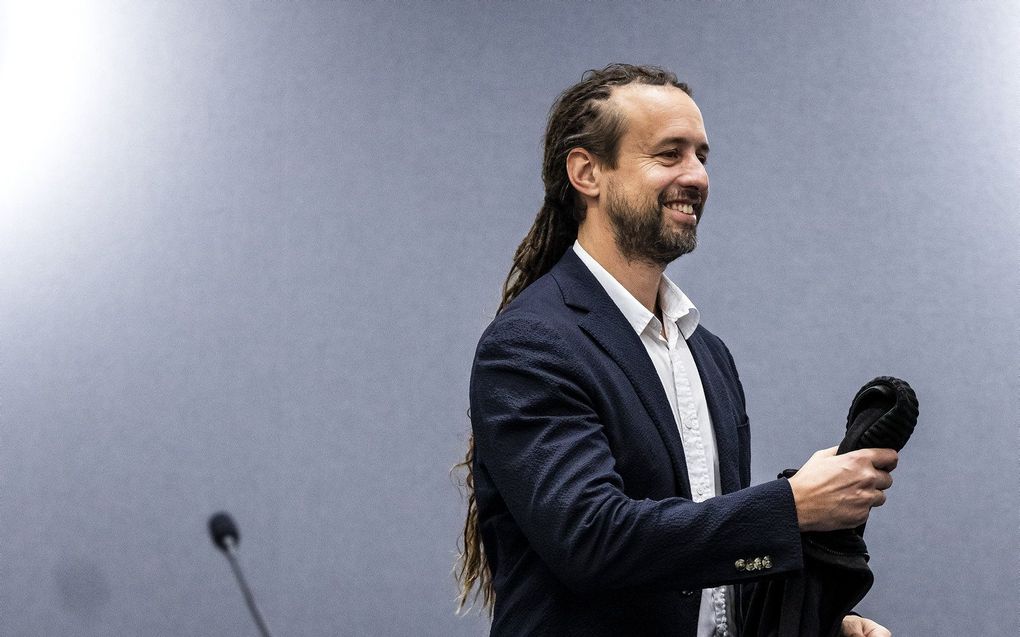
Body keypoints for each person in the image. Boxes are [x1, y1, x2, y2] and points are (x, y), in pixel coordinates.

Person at [455, 64, 897, 637]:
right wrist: (790, 508)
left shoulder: (707, 354)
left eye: (702, 156)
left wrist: (815, 622)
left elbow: (705, 570)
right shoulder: (530, 344)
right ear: (587, 172)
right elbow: (592, 541)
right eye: (669, 154)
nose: (696, 176)